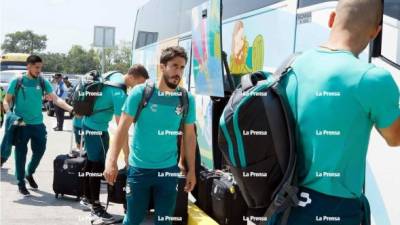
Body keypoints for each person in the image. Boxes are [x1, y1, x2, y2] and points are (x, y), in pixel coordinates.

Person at [269, 0, 400, 224]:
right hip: (335, 210)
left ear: (331, 19)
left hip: (283, 206)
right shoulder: (373, 79)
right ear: (376, 32)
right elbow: (394, 137)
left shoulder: (291, 66)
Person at [104, 46, 197, 225]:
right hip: (139, 170)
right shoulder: (141, 93)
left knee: (164, 221)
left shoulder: (186, 99)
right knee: (133, 219)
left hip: (169, 171)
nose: (178, 72)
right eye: (174, 66)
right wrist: (112, 161)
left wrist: (191, 169)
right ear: (162, 67)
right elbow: (121, 129)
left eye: (182, 67)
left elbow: (190, 136)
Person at [80, 65, 149, 224]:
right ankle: (97, 209)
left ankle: (87, 198)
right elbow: (121, 130)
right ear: (132, 77)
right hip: (96, 128)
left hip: (88, 123)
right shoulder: (119, 94)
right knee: (97, 167)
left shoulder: (115, 75)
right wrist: (126, 155)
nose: (140, 87)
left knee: (91, 163)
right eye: (140, 83)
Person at [2, 55, 73, 196]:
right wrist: (11, 115)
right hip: (21, 124)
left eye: (40, 67)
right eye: (37, 67)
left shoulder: (42, 82)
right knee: (21, 154)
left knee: (39, 151)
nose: (39, 70)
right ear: (28, 66)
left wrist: (71, 109)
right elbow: (6, 101)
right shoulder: (17, 81)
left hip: (38, 125)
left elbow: (56, 99)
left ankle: (29, 173)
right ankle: (21, 182)